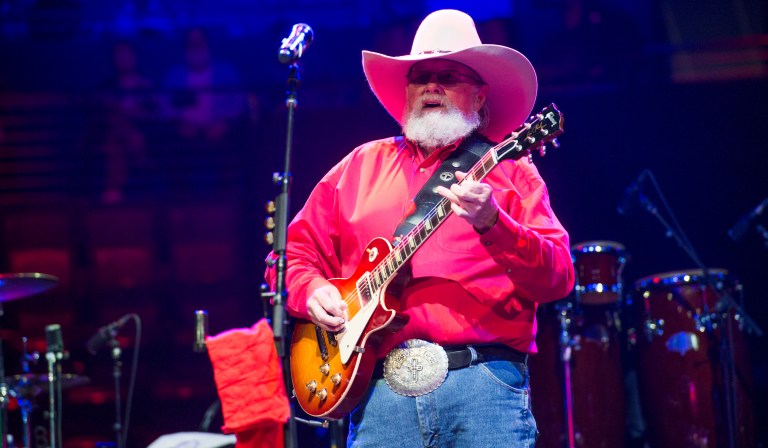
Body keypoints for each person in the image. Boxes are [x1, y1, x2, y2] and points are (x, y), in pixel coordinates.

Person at [266, 9, 574, 447]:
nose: (431, 85)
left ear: (480, 95)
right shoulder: (359, 167)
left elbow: (558, 277)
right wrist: (311, 291)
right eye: (420, 76)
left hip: (483, 389)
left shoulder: (511, 171)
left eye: (448, 75)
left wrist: (495, 225)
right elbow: (292, 254)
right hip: (380, 395)